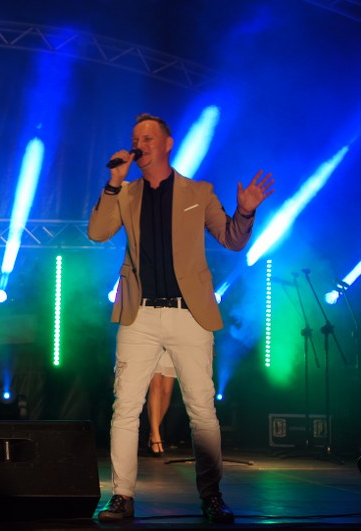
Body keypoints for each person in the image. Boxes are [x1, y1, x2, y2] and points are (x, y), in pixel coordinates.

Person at [88, 113, 273, 523]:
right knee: (125, 408)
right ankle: (122, 496)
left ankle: (212, 496)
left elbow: (231, 239)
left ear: (168, 143)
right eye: (136, 138)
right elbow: (97, 232)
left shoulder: (198, 191)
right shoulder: (126, 193)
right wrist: (114, 181)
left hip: (189, 313)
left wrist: (245, 213)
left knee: (202, 409)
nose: (140, 144)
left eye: (148, 138)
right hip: (138, 313)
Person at [146, 353, 176, 457]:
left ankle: (152, 433)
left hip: (171, 347)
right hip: (154, 347)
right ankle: (155, 436)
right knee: (156, 385)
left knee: (167, 391)